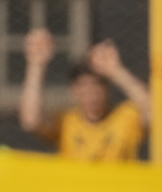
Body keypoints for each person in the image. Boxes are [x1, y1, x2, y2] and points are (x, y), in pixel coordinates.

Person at [19, 29, 149, 160]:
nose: (90, 93)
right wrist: (36, 65)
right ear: (74, 91)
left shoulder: (125, 118)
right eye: (83, 86)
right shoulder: (66, 123)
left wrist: (116, 71)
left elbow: (155, 111)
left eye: (96, 85)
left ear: (108, 88)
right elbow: (31, 120)